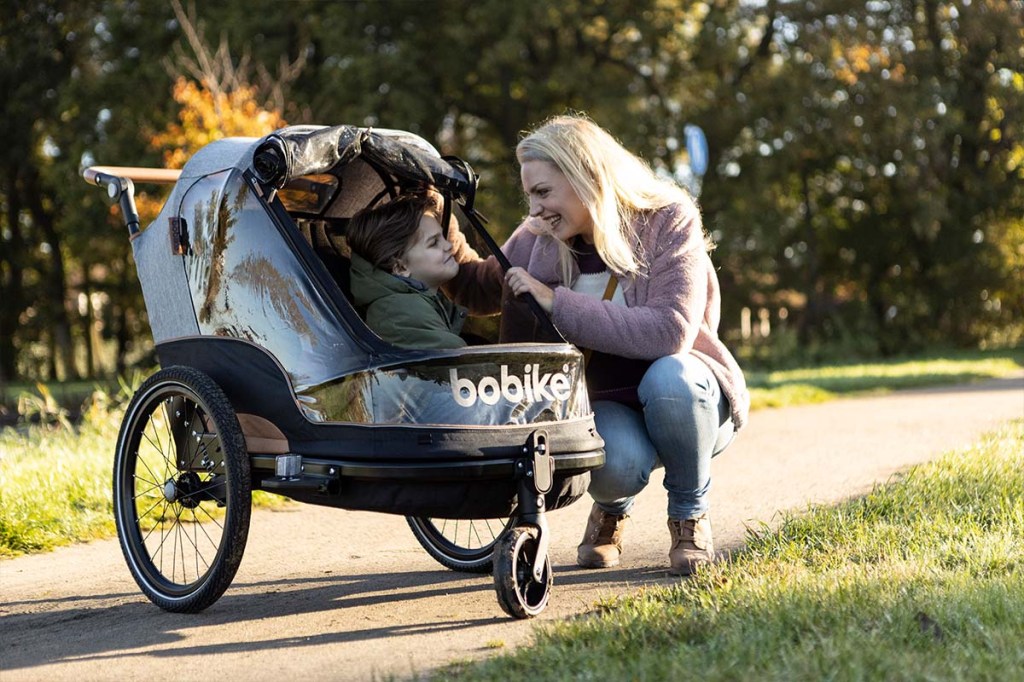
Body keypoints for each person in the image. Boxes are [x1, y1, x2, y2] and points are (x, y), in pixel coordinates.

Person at [445, 114, 750, 575]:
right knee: (611, 465)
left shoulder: (668, 219)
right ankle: (613, 506)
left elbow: (669, 332)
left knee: (671, 376)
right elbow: (482, 285)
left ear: (586, 175)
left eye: (543, 192)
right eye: (529, 195)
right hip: (610, 404)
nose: (534, 209)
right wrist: (433, 220)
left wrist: (555, 300)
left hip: (690, 401)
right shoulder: (539, 237)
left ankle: (689, 515)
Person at [346, 192, 467, 350]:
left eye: (442, 237)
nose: (448, 246)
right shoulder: (397, 311)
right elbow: (459, 361)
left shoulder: (411, 302)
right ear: (401, 267)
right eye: (434, 243)